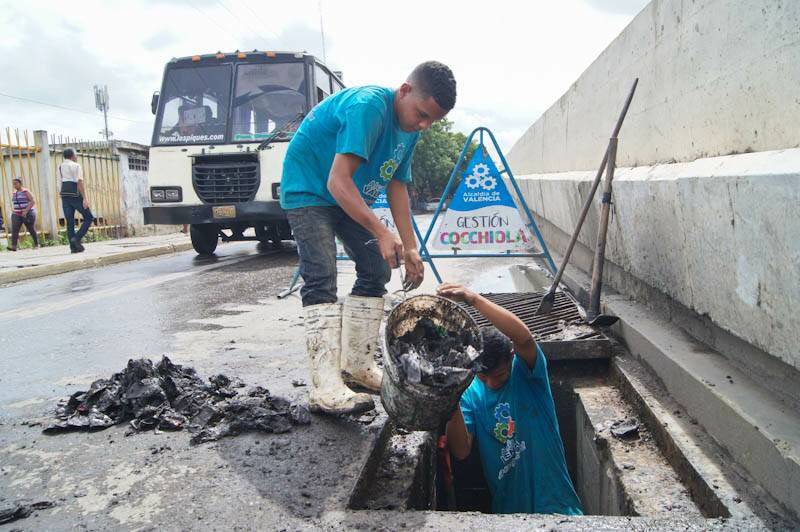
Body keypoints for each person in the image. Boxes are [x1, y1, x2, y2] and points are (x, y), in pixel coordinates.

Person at [280, 61, 456, 414]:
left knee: (377, 268)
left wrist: (410, 247)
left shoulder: (412, 128)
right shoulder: (369, 108)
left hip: (346, 195)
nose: (423, 125)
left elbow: (397, 185)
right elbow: (336, 181)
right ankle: (324, 385)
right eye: (421, 115)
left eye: (431, 121)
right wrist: (380, 230)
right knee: (321, 275)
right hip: (310, 188)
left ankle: (356, 367)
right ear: (404, 90)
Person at [438, 282, 584, 516]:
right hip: (509, 516)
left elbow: (524, 338)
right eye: (483, 377)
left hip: (557, 508)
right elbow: (461, 450)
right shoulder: (469, 393)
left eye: (499, 375)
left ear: (511, 359)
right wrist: (452, 397)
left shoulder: (527, 375)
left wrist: (474, 299)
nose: (491, 383)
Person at [58, 148, 93, 253]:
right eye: (76, 154)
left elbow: (59, 182)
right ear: (72, 155)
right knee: (89, 217)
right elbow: (79, 182)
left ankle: (73, 248)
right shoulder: (76, 165)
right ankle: (76, 239)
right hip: (75, 194)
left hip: (64, 194)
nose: (76, 156)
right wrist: (85, 198)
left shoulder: (60, 167)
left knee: (70, 222)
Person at [8, 177, 39, 251]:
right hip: (16, 214)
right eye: (13, 184)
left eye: (16, 183)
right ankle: (14, 246)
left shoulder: (26, 191)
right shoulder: (14, 193)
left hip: (28, 213)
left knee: (30, 228)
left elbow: (32, 201)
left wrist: (25, 211)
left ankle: (37, 244)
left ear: (20, 183)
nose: (14, 185)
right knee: (15, 229)